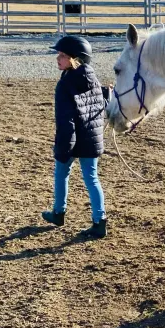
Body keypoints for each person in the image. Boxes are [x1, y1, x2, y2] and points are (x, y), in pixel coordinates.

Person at [42, 35, 107, 237]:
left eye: (62, 55)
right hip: (91, 137)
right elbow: (100, 107)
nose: (58, 58)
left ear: (75, 59)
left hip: (73, 139)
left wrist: (63, 148)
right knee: (91, 178)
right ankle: (100, 221)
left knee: (61, 172)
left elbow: (66, 121)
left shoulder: (64, 85)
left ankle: (59, 212)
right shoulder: (92, 77)